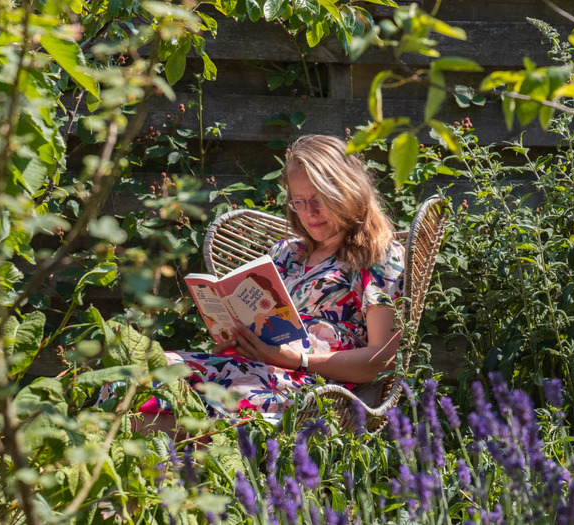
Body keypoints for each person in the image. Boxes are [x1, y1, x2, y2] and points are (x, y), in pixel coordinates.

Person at [105, 135, 406, 420]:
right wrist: (235, 340)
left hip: (312, 384)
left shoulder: (378, 256)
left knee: (169, 394)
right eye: (298, 201)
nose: (309, 213)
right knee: (131, 373)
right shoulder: (286, 253)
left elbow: (380, 362)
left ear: (347, 190)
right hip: (252, 367)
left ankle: (159, 468)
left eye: (319, 199)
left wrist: (295, 359)